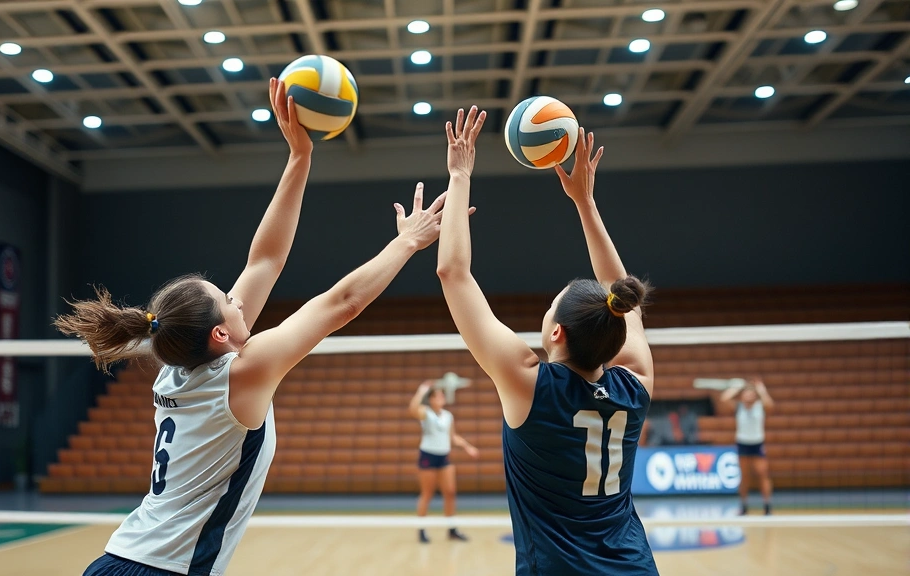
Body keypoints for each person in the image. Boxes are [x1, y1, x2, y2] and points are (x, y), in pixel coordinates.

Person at [56, 78, 459, 576]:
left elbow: (264, 259)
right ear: (220, 334)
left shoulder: (178, 361)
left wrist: (299, 158)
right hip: (167, 570)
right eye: (227, 300)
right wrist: (408, 243)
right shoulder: (238, 375)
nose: (236, 296)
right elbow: (343, 304)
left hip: (122, 557)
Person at [435, 106, 658, 575]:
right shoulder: (634, 384)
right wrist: (585, 203)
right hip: (634, 566)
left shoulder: (530, 384)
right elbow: (623, 293)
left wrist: (459, 173)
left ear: (555, 331)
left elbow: (453, 273)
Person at [408, 380, 479, 543]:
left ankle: (452, 529)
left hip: (444, 457)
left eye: (441, 395)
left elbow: (453, 436)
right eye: (437, 395)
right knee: (427, 493)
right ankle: (421, 530)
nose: (441, 397)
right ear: (431, 399)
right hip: (428, 456)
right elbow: (412, 409)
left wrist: (468, 447)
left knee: (450, 492)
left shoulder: (448, 416)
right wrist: (421, 390)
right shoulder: (426, 413)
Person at [720, 378, 775, 515]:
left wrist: (761, 390)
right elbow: (724, 399)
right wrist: (736, 388)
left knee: (762, 474)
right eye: (746, 393)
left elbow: (770, 404)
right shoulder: (738, 407)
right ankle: (744, 506)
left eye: (751, 394)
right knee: (744, 477)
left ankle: (767, 505)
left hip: (757, 444)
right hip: (743, 444)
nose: (748, 396)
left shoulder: (760, 407)